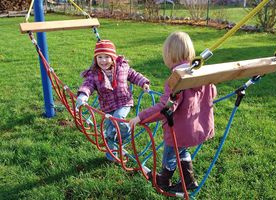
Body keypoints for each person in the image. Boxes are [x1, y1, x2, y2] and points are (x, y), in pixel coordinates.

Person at [129, 32, 217, 192]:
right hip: (197, 127)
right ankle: (189, 180)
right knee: (182, 150)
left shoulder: (176, 80)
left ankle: (164, 180)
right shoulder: (201, 73)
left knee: (170, 154)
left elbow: (165, 108)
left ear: (168, 55)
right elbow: (213, 93)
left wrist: (140, 117)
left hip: (178, 131)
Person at [76, 40, 150, 161]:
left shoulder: (122, 67)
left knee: (119, 118)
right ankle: (111, 155)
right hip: (107, 105)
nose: (103, 60)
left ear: (113, 57)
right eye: (99, 57)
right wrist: (83, 94)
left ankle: (125, 134)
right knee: (110, 130)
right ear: (95, 59)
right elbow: (88, 84)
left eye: (107, 57)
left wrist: (144, 83)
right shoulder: (94, 73)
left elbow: (133, 75)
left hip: (123, 101)